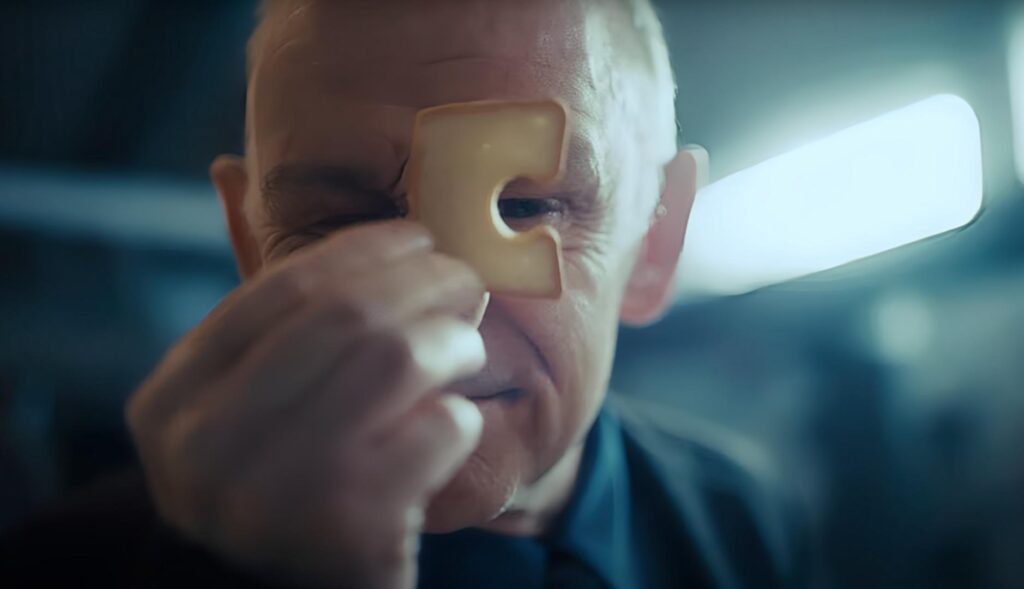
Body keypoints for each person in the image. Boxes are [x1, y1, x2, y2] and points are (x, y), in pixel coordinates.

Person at [0, 0, 806, 587]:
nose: (440, 310)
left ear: (654, 245)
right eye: (333, 220)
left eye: (521, 207)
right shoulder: (70, 565)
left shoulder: (749, 530)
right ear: (252, 245)